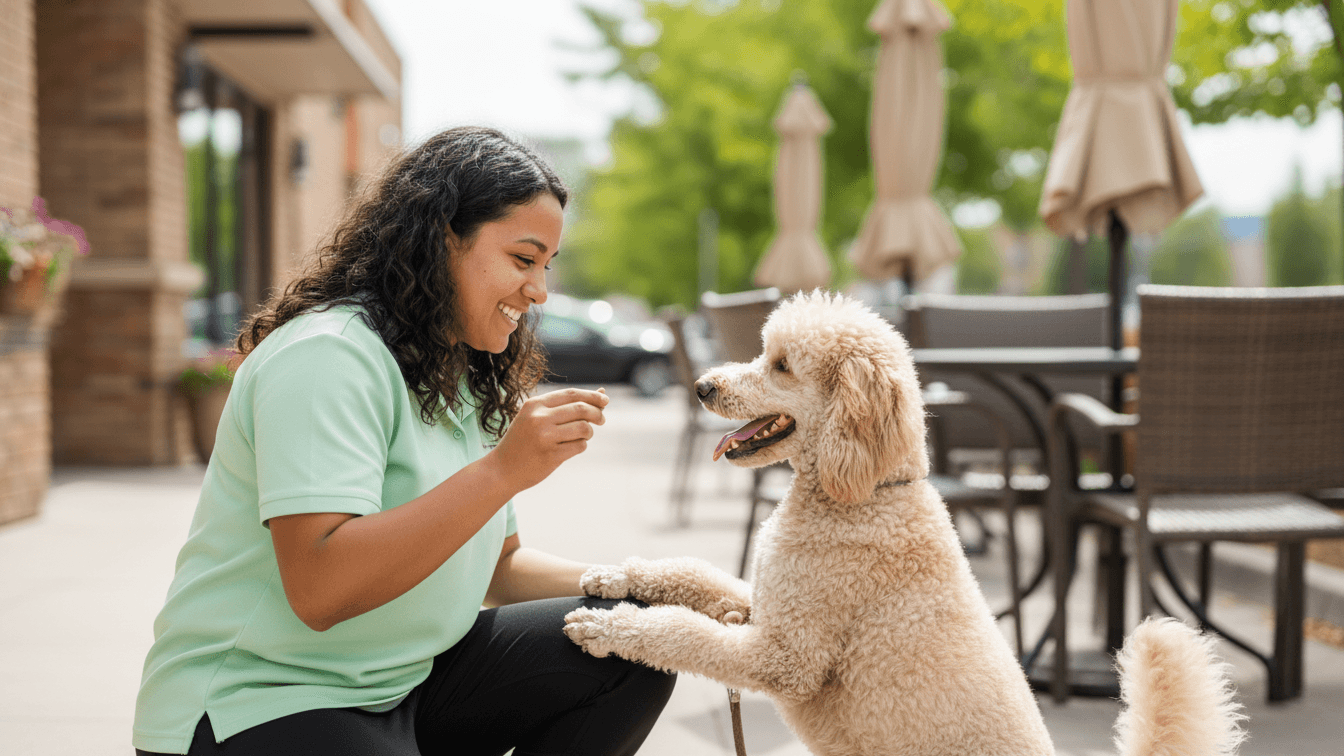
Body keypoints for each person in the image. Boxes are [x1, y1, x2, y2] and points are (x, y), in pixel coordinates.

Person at [133, 127, 676, 756]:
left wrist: (656, 588)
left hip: (403, 687)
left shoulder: (460, 372)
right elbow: (320, 589)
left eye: (546, 266)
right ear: (442, 241)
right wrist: (502, 472)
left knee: (635, 642)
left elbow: (499, 567)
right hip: (261, 698)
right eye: (523, 259)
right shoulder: (328, 356)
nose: (540, 291)